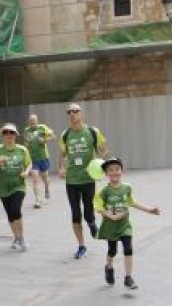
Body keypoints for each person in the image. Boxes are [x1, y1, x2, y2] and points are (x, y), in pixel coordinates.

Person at [94, 157, 160, 290]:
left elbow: (132, 202)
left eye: (117, 169)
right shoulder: (103, 192)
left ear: (121, 171)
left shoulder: (127, 188)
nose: (114, 172)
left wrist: (149, 210)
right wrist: (111, 216)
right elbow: (99, 208)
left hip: (124, 225)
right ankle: (109, 267)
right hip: (110, 225)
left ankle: (128, 278)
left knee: (128, 249)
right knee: (112, 250)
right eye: (110, 170)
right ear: (106, 173)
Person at [58, 103, 108, 259]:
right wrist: (61, 168)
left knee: (88, 212)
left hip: (88, 179)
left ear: (81, 113)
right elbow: (63, 154)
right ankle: (81, 246)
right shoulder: (65, 135)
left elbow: (104, 148)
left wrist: (98, 162)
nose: (72, 114)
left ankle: (92, 224)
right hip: (72, 180)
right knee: (75, 213)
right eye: (69, 112)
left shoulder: (92, 132)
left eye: (75, 111)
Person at [0, 123, 32, 252]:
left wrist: (26, 172)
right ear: (3, 135)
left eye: (11, 133)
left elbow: (29, 163)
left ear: (15, 135)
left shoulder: (22, 149)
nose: (9, 135)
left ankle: (21, 237)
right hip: (4, 188)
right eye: (6, 133)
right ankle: (16, 237)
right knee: (10, 214)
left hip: (18, 185)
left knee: (15, 210)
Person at [23, 114, 55, 208]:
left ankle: (46, 187)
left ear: (37, 121)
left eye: (34, 120)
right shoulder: (26, 130)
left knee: (45, 178)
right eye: (30, 121)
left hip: (43, 157)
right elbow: (26, 142)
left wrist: (45, 139)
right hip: (33, 159)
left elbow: (53, 136)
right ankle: (38, 200)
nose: (32, 122)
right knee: (35, 179)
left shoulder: (43, 127)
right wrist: (27, 145)